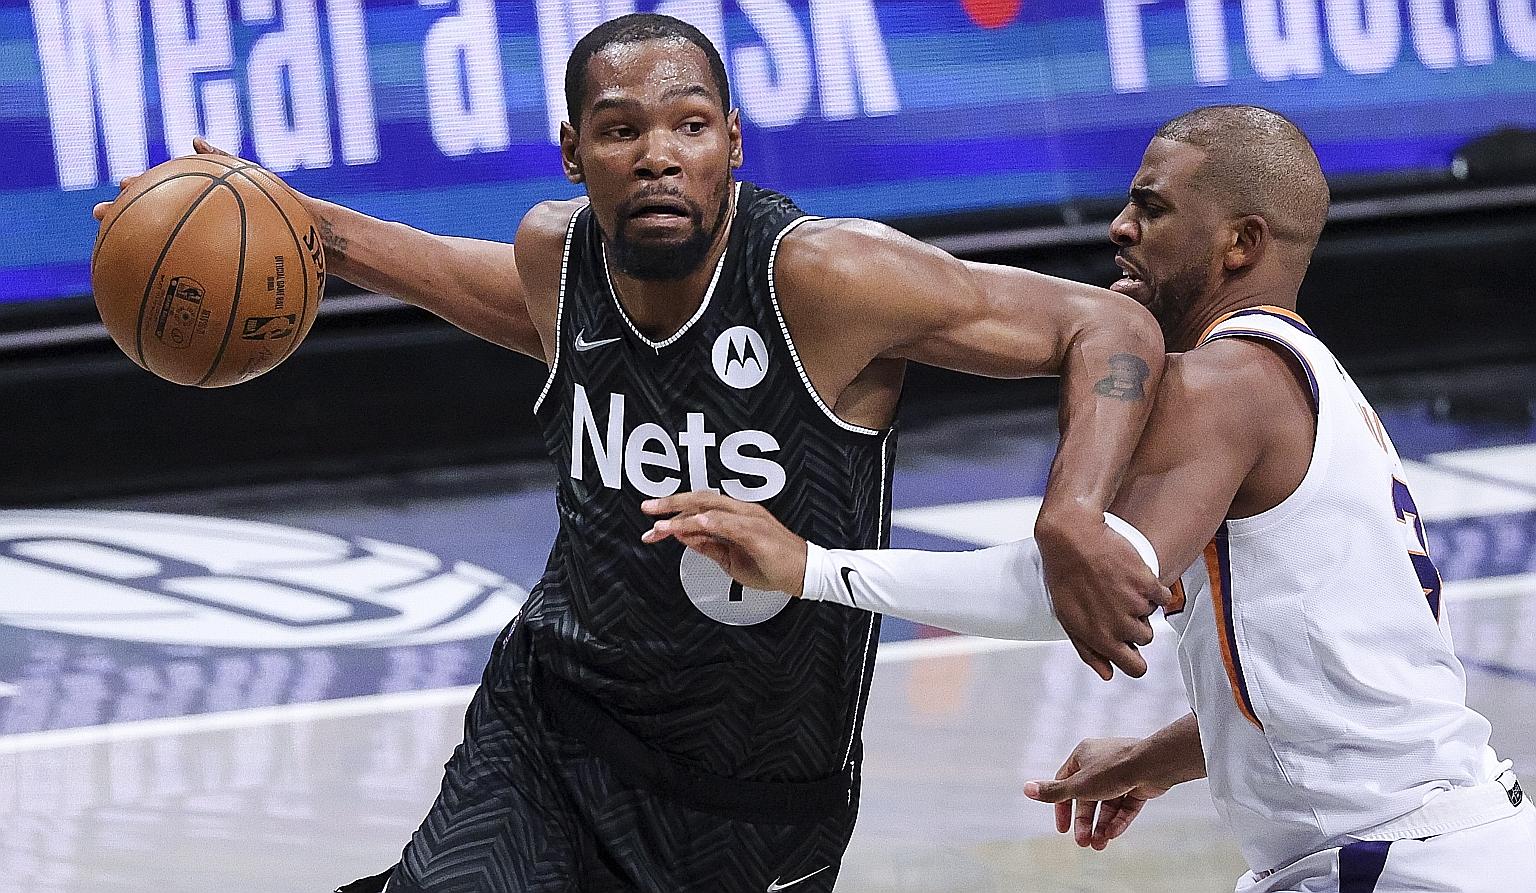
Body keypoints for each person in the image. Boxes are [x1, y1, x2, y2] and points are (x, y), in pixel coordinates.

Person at [93, 14, 1168, 892]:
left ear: (733, 144)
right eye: (620, 130)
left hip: (761, 795)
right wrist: (295, 219)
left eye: (689, 126)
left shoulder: (829, 281)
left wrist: (1071, 509)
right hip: (557, 732)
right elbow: (485, 288)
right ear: (574, 152)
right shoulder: (555, 262)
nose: (658, 154)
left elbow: (1109, 326)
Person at [643, 105, 1535, 893]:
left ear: (1241, 244)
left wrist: (812, 565)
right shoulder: (1308, 380)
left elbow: (1071, 590)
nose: (1119, 226)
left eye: (1152, 207)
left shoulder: (1221, 384)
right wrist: (1164, 756)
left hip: (1398, 860)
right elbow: (1330, 685)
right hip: (1432, 840)